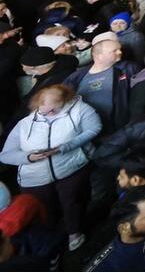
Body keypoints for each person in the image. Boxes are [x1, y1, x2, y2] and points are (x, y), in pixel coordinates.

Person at [0, 84, 101, 251]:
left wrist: (65, 147)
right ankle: (51, 244)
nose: (50, 114)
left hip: (70, 167)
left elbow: (94, 128)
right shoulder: (25, 123)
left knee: (73, 202)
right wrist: (28, 157)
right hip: (34, 177)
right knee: (45, 212)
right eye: (44, 111)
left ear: (64, 101)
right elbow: (5, 155)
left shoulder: (79, 109)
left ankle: (74, 233)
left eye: (54, 109)